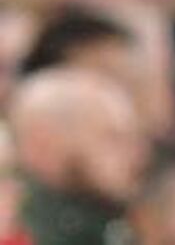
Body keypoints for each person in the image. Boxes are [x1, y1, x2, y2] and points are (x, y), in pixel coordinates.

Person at [6, 68, 149, 245]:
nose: (138, 154)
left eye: (134, 138)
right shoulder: (21, 229)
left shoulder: (110, 220)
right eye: (113, 138)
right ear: (44, 144)